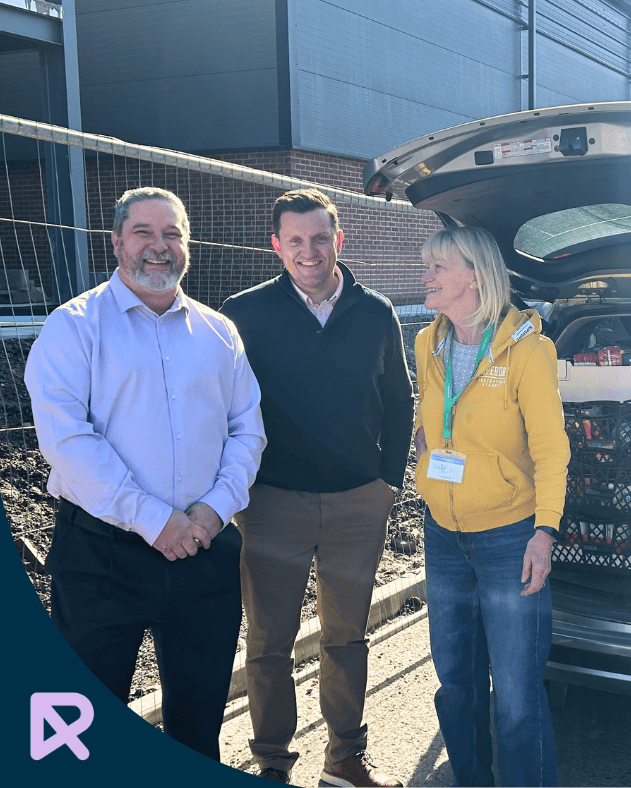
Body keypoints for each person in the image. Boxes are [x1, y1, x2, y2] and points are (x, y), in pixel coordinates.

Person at [24, 186, 266, 760]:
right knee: (77, 731)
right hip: (102, 558)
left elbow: (247, 430)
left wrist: (212, 511)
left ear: (187, 245)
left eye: (172, 234)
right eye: (144, 233)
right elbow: (67, 441)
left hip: (205, 555)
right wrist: (155, 520)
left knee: (199, 723)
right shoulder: (73, 327)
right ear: (116, 242)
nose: (159, 248)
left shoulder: (218, 333)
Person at [219, 188, 414, 787]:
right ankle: (273, 761)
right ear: (277, 245)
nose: (309, 251)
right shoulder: (243, 314)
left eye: (320, 238)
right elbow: (223, 406)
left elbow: (398, 399)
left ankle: (345, 758)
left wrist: (388, 481)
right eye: (295, 240)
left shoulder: (376, 312)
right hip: (272, 502)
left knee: (346, 636)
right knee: (270, 641)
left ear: (339, 240)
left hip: (359, 501)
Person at [413, 226, 570, 787]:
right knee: (455, 682)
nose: (425, 274)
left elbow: (552, 449)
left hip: (510, 537)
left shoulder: (529, 351)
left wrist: (544, 532)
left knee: (517, 693)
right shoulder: (426, 342)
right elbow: (428, 420)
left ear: (475, 276)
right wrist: (425, 465)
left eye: (437, 266)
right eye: (426, 264)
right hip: (444, 533)